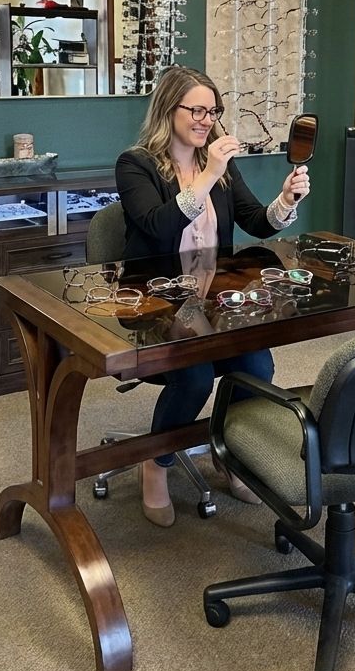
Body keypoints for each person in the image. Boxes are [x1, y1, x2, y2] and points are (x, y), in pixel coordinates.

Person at [115, 65, 310, 526]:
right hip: (154, 302)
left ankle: (232, 453)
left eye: (213, 111)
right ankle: (155, 463)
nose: (206, 119)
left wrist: (285, 201)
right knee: (196, 376)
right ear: (169, 108)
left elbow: (256, 222)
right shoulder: (136, 163)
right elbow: (159, 225)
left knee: (257, 364)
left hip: (214, 298)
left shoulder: (219, 167)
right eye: (197, 110)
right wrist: (208, 174)